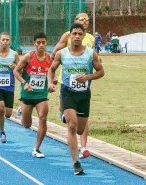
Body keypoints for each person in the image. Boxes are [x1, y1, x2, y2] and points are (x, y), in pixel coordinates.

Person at [48, 23, 104, 175]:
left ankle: (66, 117)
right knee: (72, 126)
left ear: (84, 35)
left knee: (80, 129)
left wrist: (88, 76)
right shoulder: (62, 53)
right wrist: (50, 82)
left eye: (80, 34)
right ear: (70, 36)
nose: (77, 37)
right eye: (74, 34)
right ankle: (76, 163)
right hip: (68, 92)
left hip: (84, 94)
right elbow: (51, 69)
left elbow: (101, 71)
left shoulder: (90, 53)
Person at [50, 12, 95, 159]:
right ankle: (79, 153)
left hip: (83, 84)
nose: (84, 21)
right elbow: (55, 53)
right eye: (81, 19)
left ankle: (84, 146)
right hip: (66, 83)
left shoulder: (91, 39)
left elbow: (95, 62)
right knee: (70, 120)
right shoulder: (66, 36)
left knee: (80, 124)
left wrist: (88, 73)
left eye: (86, 19)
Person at [14, 32, 51, 158]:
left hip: (41, 94)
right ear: (34, 43)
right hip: (27, 93)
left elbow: (51, 73)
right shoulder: (28, 57)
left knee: (43, 118)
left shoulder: (49, 58)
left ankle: (37, 148)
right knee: (27, 124)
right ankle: (21, 109)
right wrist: (24, 83)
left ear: (46, 43)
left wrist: (52, 82)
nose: (41, 45)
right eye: (39, 42)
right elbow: (16, 71)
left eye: (43, 42)